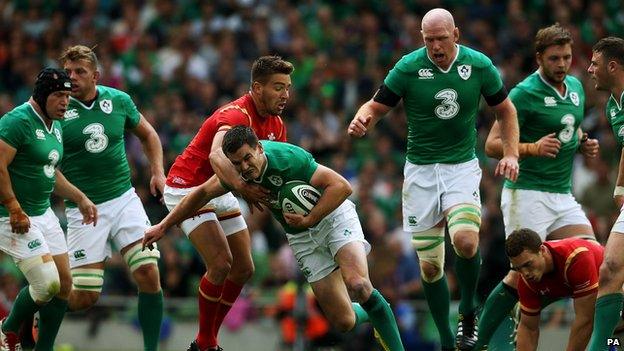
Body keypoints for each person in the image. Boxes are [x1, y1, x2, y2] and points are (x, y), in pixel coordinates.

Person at [347, 8, 520, 351]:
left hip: (460, 167)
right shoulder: (409, 67)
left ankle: (468, 312)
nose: (436, 46)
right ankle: (445, 339)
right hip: (421, 173)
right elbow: (377, 105)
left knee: (467, 241)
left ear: (455, 34)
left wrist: (512, 153)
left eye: (441, 38)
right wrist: (362, 118)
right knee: (429, 269)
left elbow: (506, 110)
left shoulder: (479, 65)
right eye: (429, 40)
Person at [144, 126, 405, 351]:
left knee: (358, 285)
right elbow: (200, 194)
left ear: (259, 148)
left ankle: (387, 327)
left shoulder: (289, 158)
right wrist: (164, 225)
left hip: (333, 218)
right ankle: (375, 312)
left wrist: (311, 218)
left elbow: (342, 186)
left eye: (248, 158)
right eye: (237, 163)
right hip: (301, 237)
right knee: (344, 322)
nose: (245, 167)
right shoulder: (240, 177)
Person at [475, 24, 600, 349]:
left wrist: (584, 142)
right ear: (539, 58)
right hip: (526, 193)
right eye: (555, 58)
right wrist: (531, 148)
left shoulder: (575, 86)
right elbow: (492, 144)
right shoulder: (523, 93)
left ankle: (531, 316)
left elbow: (566, 129)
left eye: (567, 57)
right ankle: (478, 341)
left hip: (562, 194)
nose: (562, 64)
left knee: (596, 259)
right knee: (520, 274)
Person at [163, 55, 292, 351]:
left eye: (287, 87)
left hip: (221, 189)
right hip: (187, 187)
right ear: (257, 88)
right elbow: (216, 157)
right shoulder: (235, 115)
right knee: (221, 263)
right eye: (277, 87)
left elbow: (275, 172)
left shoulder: (276, 124)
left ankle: (205, 338)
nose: (285, 95)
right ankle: (207, 343)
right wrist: (243, 189)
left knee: (244, 268)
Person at [59, 45, 165, 351]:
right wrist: (77, 197)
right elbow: (48, 165)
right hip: (83, 209)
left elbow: (149, 135)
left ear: (96, 75)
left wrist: (157, 172)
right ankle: (38, 314)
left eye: (79, 71)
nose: (72, 77)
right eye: (67, 72)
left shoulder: (118, 100)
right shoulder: (57, 108)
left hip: (123, 199)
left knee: (148, 272)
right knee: (85, 297)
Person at [0, 68, 97, 351]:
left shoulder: (55, 124)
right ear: (41, 96)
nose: (65, 102)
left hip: (43, 213)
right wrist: (14, 207)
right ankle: (6, 331)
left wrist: (80, 197)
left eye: (67, 95)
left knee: (64, 286)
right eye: (58, 95)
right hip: (12, 216)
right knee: (47, 285)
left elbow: (49, 171)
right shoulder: (17, 121)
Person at [505, 228, 603, 351]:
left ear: (542, 250)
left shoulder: (576, 257)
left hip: (615, 288)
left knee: (611, 331)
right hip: (585, 295)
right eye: (518, 268)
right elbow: (528, 328)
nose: (525, 273)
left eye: (527, 264)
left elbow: (585, 319)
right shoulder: (526, 280)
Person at [586, 37, 624, 351]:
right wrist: (620, 187)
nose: (590, 70)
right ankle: (605, 347)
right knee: (610, 268)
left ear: (612, 66)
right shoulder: (613, 106)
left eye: (595, 64)